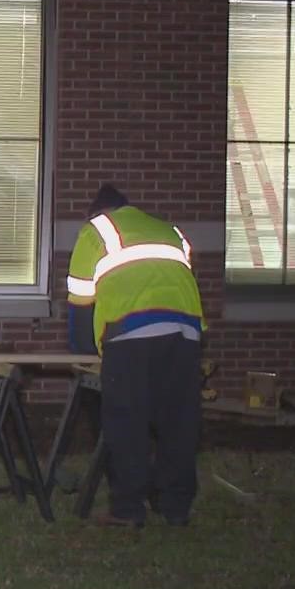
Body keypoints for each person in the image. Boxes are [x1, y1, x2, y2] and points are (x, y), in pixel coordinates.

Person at [65, 185, 205, 528]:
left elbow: (81, 300)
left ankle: (128, 508)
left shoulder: (96, 230)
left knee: (126, 421)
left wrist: (85, 352)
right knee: (178, 421)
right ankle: (175, 507)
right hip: (186, 330)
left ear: (98, 212)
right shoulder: (168, 230)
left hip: (131, 332)